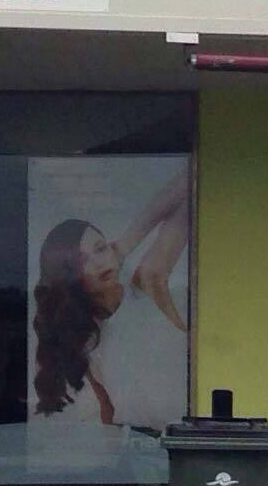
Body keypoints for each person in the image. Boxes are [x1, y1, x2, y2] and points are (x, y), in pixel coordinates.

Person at [32, 171, 189, 427]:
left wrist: (125, 246)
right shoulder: (88, 339)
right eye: (83, 262)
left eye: (100, 248)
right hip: (139, 453)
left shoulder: (147, 283)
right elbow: (109, 414)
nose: (99, 262)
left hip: (189, 445)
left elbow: (188, 185)